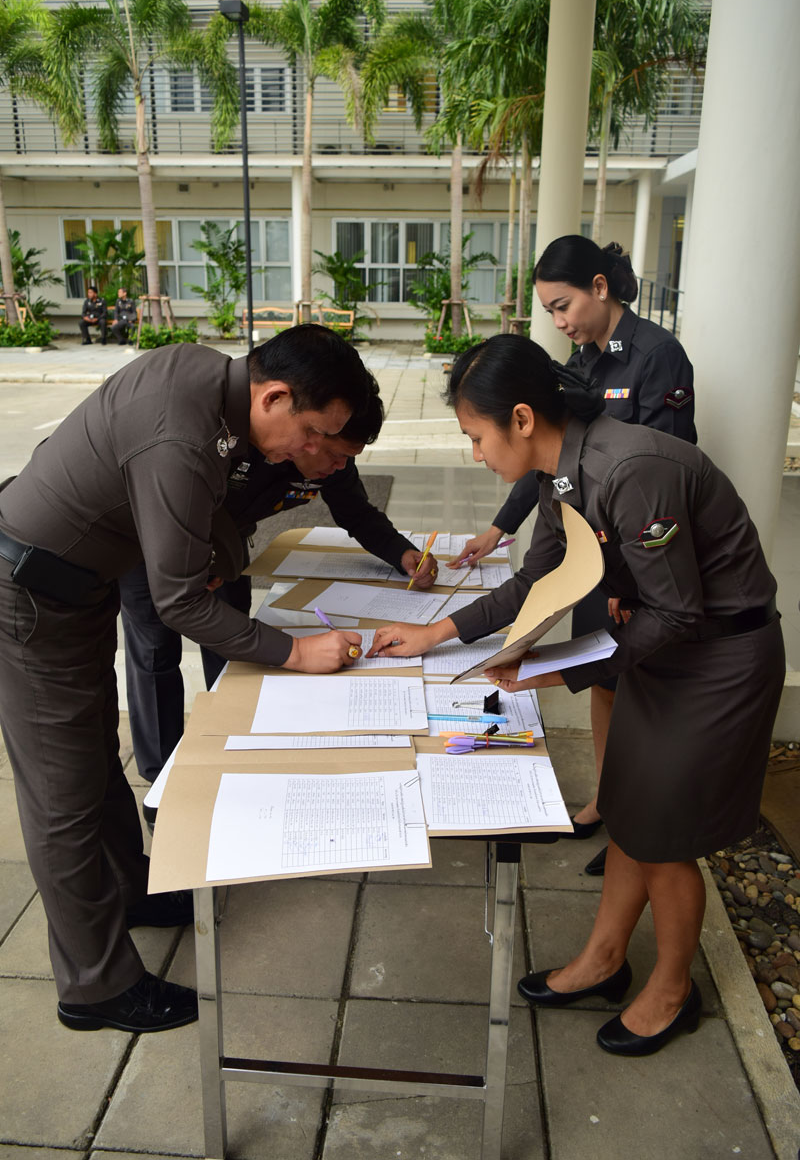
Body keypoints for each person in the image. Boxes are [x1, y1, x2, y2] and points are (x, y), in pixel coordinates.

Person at [368, 334, 784, 1056]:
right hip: (663, 649)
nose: (475, 454)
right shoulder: (557, 476)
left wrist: (558, 669)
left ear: (522, 418)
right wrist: (435, 633)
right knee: (627, 807)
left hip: (718, 662)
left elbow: (676, 611)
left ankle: (674, 991)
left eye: (476, 436)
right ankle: (604, 959)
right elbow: (535, 580)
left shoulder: (632, 468)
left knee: (664, 839)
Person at [0, 325, 373, 1034]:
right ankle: (94, 985)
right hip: (31, 596)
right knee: (61, 796)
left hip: (75, 585)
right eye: (313, 433)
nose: (309, 453)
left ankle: (129, 889)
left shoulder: (211, 389)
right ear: (274, 396)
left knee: (92, 762)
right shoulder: (184, 432)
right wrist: (295, 653)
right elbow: (177, 604)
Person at [449, 237, 697, 870]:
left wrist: (622, 585)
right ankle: (610, 804)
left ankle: (633, 825)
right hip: (594, 550)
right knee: (606, 682)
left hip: (637, 559)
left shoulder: (655, 356)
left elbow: (651, 479)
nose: (559, 322)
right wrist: (501, 528)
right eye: (550, 313)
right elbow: (549, 462)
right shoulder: (582, 360)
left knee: (634, 681)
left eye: (563, 306)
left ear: (600, 287)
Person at [120, 372, 439, 784]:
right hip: (151, 542)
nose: (339, 466)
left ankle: (230, 738)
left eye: (348, 457)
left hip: (225, 548)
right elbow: (173, 508)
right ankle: (160, 776)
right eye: (334, 453)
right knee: (155, 652)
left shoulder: (332, 456)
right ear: (313, 432)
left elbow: (356, 511)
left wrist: (402, 552)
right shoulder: (237, 443)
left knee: (235, 641)